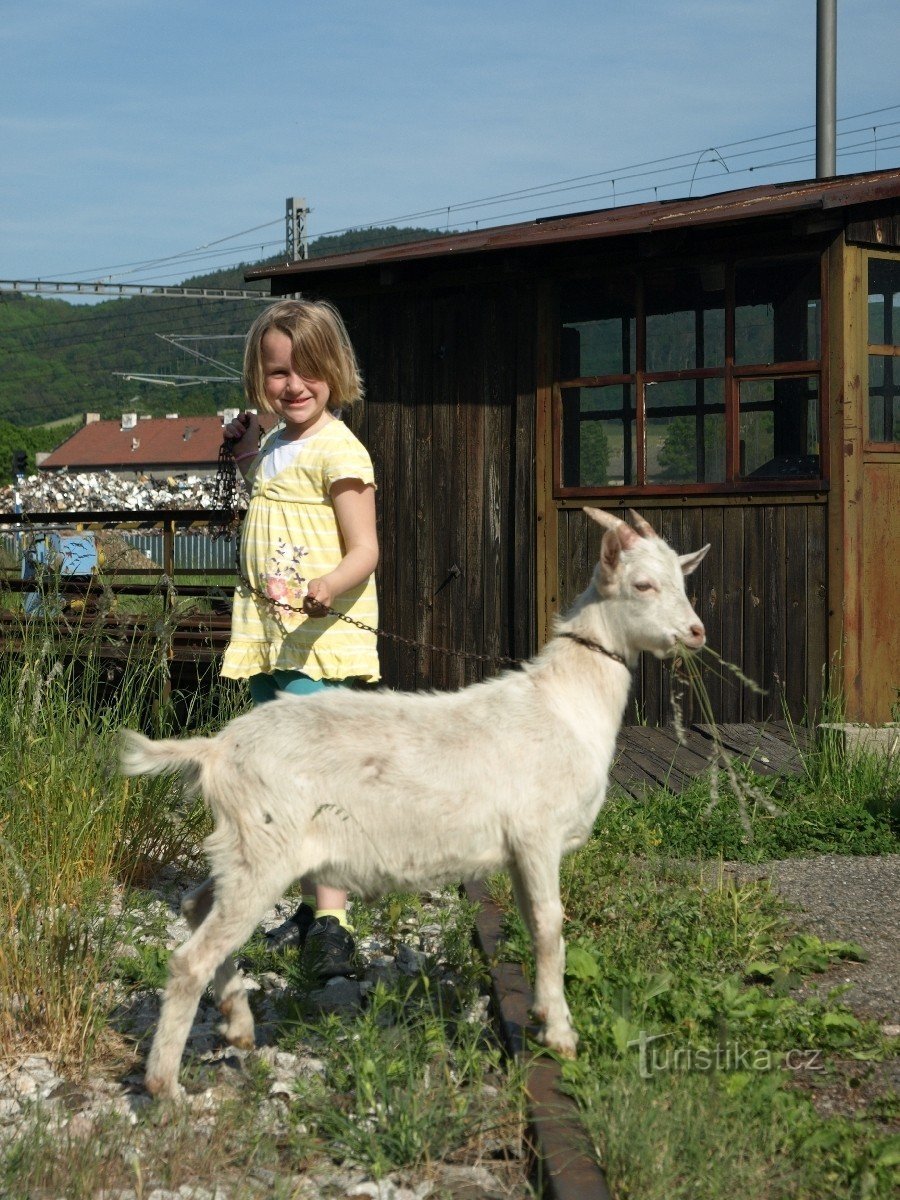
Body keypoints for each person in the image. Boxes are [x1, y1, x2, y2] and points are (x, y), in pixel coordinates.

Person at [220, 298, 380, 978]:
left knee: (316, 777)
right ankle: (315, 908)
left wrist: (330, 583)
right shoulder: (277, 446)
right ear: (261, 376)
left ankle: (335, 924)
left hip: (318, 638)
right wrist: (243, 434)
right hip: (270, 637)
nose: (294, 385)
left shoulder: (339, 450)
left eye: (308, 371)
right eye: (278, 372)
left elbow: (365, 549)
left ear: (335, 371)